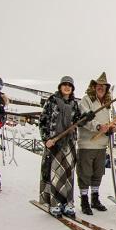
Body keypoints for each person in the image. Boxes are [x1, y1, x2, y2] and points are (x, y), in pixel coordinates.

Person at [39, 76, 90, 216]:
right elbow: (42, 121)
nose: (67, 87)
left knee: (68, 174)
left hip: (69, 144)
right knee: (55, 173)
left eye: (70, 85)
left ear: (72, 88)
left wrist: (88, 117)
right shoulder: (52, 101)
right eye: (64, 84)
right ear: (60, 86)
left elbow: (79, 121)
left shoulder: (74, 103)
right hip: (54, 142)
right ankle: (55, 203)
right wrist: (46, 139)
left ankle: (68, 203)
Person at [76, 72, 116, 215]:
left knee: (97, 173)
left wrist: (114, 127)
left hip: (101, 145)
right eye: (98, 86)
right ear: (94, 86)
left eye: (103, 86)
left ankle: (95, 198)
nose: (101, 88)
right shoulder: (86, 100)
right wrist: (99, 127)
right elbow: (84, 118)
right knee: (85, 173)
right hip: (87, 144)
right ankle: (84, 200)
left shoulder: (108, 103)